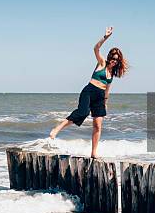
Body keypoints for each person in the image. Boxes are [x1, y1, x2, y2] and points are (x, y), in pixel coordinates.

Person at [49, 26, 128, 158]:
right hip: (89, 91)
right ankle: (56, 129)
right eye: (113, 58)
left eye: (117, 60)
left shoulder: (112, 74)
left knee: (97, 125)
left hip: (100, 97)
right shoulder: (102, 63)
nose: (114, 61)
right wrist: (105, 37)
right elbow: (96, 48)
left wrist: (105, 102)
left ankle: (93, 153)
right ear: (109, 57)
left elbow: (107, 89)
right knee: (83, 112)